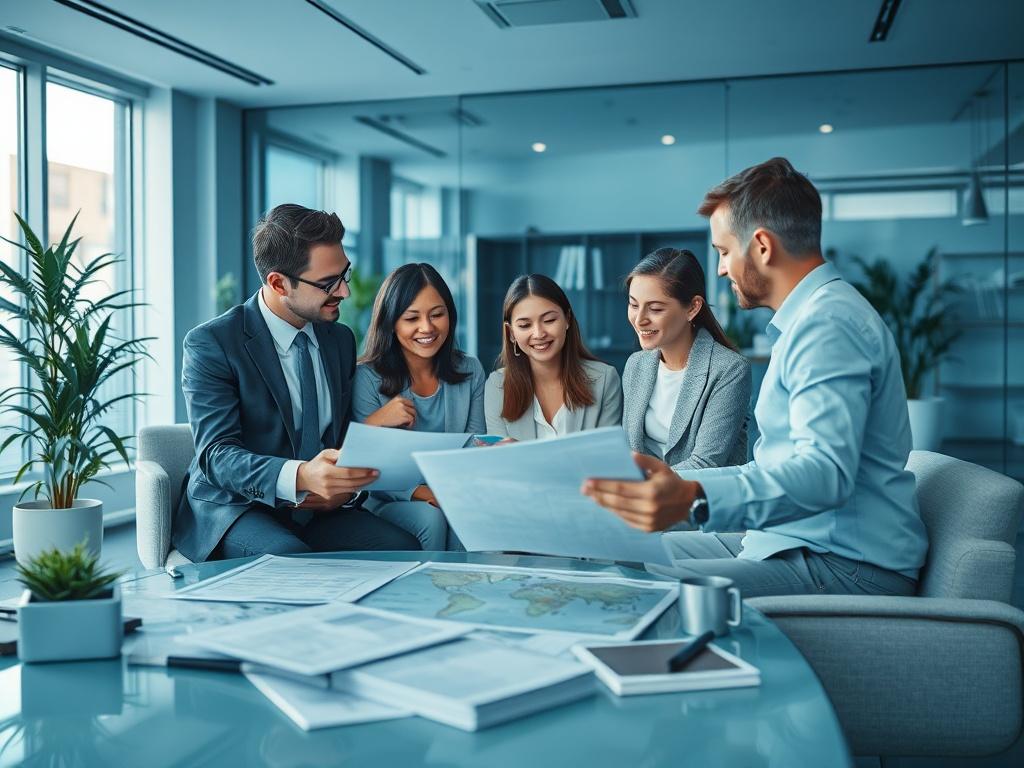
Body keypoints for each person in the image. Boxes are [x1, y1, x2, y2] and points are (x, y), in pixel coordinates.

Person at [583, 157, 928, 598]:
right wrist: (683, 490)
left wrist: (691, 497)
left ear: (762, 246)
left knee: (641, 588)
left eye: (725, 251)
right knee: (622, 555)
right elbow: (772, 468)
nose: (722, 269)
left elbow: (824, 475)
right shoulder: (809, 320)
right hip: (790, 538)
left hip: (844, 562)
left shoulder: (827, 326)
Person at [172, 204, 421, 562]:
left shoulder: (338, 339)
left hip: (319, 510)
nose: (345, 293)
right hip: (240, 507)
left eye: (344, 274)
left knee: (403, 549)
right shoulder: (212, 343)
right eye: (327, 284)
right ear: (278, 283)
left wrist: (343, 490)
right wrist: (302, 476)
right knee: (292, 561)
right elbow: (217, 456)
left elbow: (334, 441)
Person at [353, 263, 486, 550]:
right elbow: (366, 467)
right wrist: (424, 492)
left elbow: (475, 447)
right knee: (431, 516)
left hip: (454, 490)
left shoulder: (470, 369)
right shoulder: (366, 376)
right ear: (391, 322)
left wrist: (454, 491)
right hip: (393, 498)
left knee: (472, 514)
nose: (427, 328)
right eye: (412, 318)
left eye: (437, 314)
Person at [623, 247, 750, 471]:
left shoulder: (729, 370)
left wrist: (641, 489)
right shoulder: (636, 364)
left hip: (698, 498)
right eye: (634, 305)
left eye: (655, 308)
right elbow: (630, 450)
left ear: (692, 308)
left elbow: (705, 463)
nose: (639, 319)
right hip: (641, 497)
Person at [485, 274, 622, 440]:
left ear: (567, 319)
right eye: (525, 325)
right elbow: (500, 460)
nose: (539, 333)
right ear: (511, 333)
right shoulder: (498, 386)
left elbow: (606, 456)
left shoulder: (605, 380)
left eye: (549, 320)